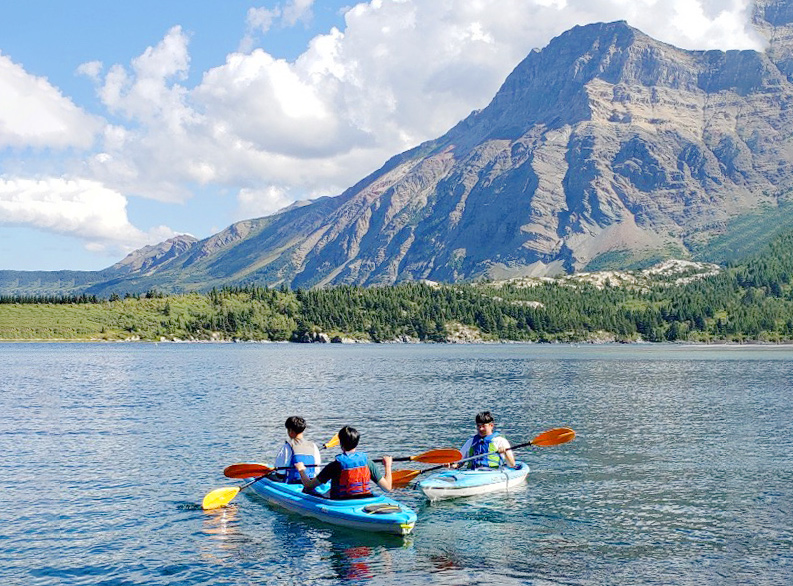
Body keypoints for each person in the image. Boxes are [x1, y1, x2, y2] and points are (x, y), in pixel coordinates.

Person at [295, 425, 393, 499]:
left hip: (340, 502)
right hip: (364, 499)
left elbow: (309, 485)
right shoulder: (368, 463)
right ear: (357, 442)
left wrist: (301, 470)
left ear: (341, 444)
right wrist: (388, 466)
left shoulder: (334, 466)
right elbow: (387, 488)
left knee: (306, 490)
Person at [274, 416, 321, 483]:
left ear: (290, 431)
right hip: (311, 481)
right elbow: (317, 471)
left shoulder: (287, 447)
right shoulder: (313, 446)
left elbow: (280, 474)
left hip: (292, 483)